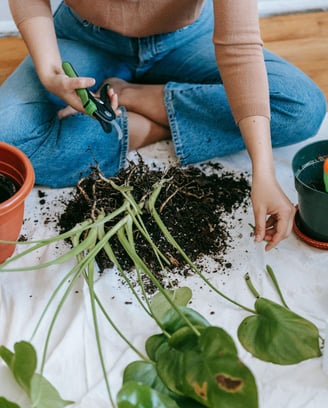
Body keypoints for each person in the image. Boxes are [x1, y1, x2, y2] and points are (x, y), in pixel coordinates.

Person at [1, 0, 326, 251]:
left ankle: (144, 98)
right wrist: (50, 71)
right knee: (9, 138)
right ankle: (150, 125)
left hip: (189, 38)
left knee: (302, 107)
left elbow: (238, 47)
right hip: (86, 38)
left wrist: (263, 170)